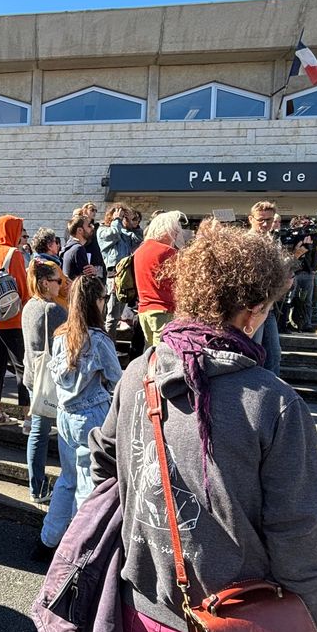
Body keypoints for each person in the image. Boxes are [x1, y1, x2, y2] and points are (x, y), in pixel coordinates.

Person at [90, 220, 317, 632]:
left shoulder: (139, 372)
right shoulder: (274, 403)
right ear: (252, 311)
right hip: (233, 617)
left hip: (139, 608)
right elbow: (297, 537)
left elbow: (104, 463)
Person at [32, 274, 123, 561]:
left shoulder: (61, 335)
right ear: (96, 302)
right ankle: (81, 553)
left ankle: (50, 539)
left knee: (67, 480)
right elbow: (118, 380)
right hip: (92, 416)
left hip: (65, 415)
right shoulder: (97, 340)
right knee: (89, 486)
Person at [21, 260, 68, 504]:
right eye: (57, 281)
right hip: (51, 379)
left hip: (33, 376)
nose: (61, 285)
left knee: (38, 431)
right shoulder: (53, 310)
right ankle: (41, 487)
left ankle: (36, 485)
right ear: (44, 283)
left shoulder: (29, 306)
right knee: (52, 432)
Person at [0, 214, 31, 427]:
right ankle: (29, 417)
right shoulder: (15, 254)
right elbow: (22, 286)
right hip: (12, 318)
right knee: (22, 366)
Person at [248, 200, 290, 374]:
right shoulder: (246, 242)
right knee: (252, 353)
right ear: (251, 219)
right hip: (251, 307)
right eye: (261, 220)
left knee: (273, 354)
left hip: (269, 306)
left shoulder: (273, 241)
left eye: (270, 220)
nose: (265, 224)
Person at [133, 211, 185, 348]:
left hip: (144, 309)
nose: (175, 235)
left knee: (150, 352)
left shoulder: (140, 251)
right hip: (164, 309)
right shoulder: (168, 252)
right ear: (166, 230)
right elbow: (179, 281)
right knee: (165, 354)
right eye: (174, 231)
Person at [97, 203, 142, 335]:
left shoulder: (124, 232)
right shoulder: (102, 230)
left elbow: (138, 241)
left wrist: (132, 224)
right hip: (114, 278)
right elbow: (113, 234)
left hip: (126, 278)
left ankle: (111, 345)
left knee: (117, 317)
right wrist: (117, 219)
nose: (123, 218)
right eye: (122, 215)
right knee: (111, 317)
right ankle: (108, 346)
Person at [284, 215, 317, 332]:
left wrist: (313, 268)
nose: (305, 227)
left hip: (307, 271)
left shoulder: (310, 238)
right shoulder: (290, 237)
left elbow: (314, 253)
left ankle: (306, 324)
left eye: (307, 224)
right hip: (294, 272)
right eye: (303, 224)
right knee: (290, 298)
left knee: (307, 300)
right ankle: (287, 322)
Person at [30, 228, 69, 309]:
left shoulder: (33, 263)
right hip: (57, 308)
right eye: (56, 242)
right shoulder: (52, 265)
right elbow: (65, 290)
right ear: (49, 246)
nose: (58, 245)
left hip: (39, 306)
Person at [60, 214, 100, 281]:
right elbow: (86, 281)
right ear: (80, 230)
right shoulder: (78, 249)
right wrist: (93, 273)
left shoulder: (69, 248)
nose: (92, 228)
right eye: (89, 226)